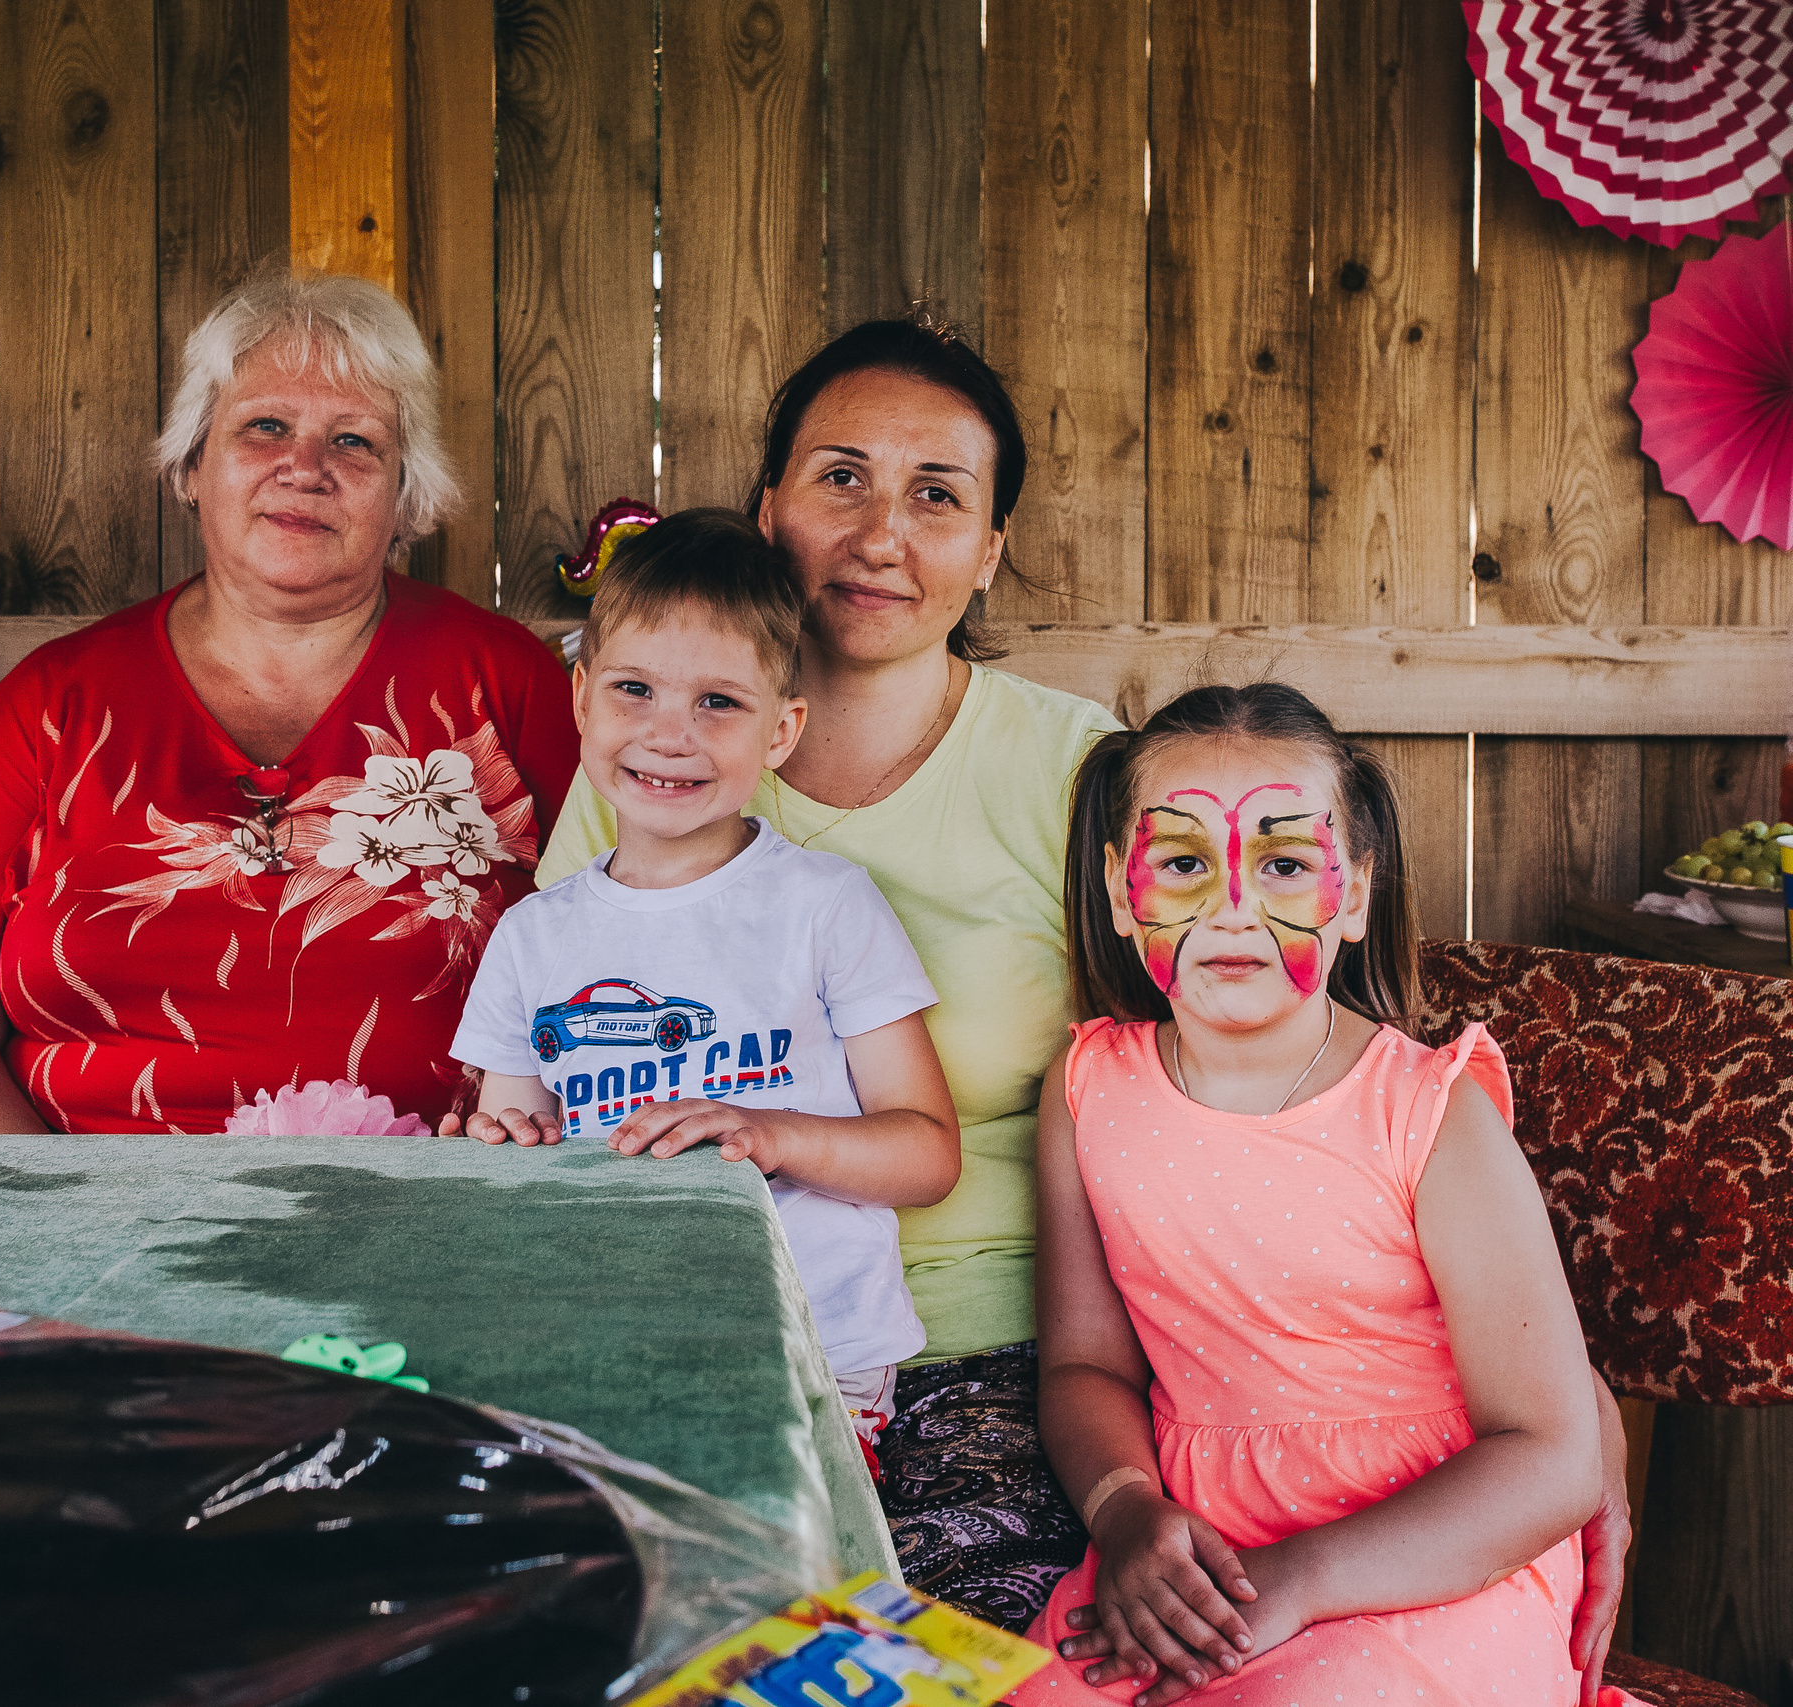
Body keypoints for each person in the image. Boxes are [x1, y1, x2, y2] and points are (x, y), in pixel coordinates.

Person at [537, 320, 1634, 1654]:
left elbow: (1295, 1053)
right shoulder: (659, 757)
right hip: (691, 1329)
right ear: (770, 508)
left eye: (937, 495)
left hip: (995, 1360)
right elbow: (554, 1052)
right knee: (616, 1641)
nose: (881, 533)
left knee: (949, 1665)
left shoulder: (1080, 779)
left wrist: (1562, 1404)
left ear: (989, 548)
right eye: (841, 477)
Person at [1009, 682, 1637, 1707]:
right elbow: (1085, 1365)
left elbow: (1553, 1457)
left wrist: (1300, 1580)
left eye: (1285, 864)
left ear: (1352, 896)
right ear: (1122, 892)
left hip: (1435, 1552)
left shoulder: (1429, 1114)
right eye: (1182, 863)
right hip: (1199, 1543)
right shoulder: (1087, 1091)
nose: (1231, 907)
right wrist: (1124, 1511)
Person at [0, 269, 579, 1135]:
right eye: (265, 426)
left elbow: (649, 921)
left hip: (438, 1190)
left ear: (405, 495)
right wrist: (40, 1197)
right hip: (91, 1197)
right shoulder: (56, 702)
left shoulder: (504, 684)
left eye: (354, 441)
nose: (305, 468)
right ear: (192, 465)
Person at [448, 510, 962, 1468]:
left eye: (719, 702)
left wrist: (771, 1134)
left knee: (752, 1526)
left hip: (810, 1349)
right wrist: (501, 1148)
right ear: (582, 699)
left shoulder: (826, 906)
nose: (668, 734)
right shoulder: (531, 939)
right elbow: (516, 1160)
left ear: (781, 730)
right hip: (603, 1344)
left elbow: (928, 1154)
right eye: (634, 689)